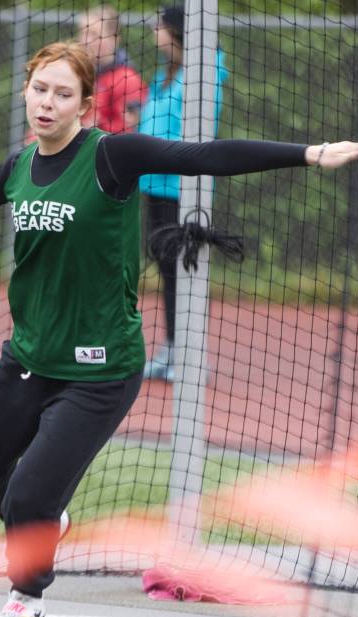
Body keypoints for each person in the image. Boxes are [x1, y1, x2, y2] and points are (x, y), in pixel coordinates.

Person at [0, 41, 358, 617]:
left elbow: (205, 155)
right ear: (26, 93)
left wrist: (312, 153)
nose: (48, 103)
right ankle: (45, 520)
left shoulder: (112, 156)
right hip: (28, 357)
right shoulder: (19, 168)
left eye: (63, 93)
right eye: (40, 90)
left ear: (86, 105)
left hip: (99, 369)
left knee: (29, 492)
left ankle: (24, 595)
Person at [139, 5, 228, 381]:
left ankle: (192, 356)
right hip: (155, 185)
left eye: (158, 26)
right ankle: (174, 347)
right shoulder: (166, 74)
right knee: (166, 269)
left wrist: (151, 147)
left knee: (184, 270)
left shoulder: (204, 74)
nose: (153, 31)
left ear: (176, 31)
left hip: (183, 190)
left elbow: (197, 137)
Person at [78, 5, 148, 134]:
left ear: (114, 39)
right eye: (83, 32)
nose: (86, 40)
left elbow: (130, 130)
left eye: (94, 34)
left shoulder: (127, 79)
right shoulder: (79, 74)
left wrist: (96, 126)